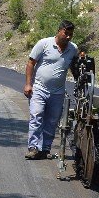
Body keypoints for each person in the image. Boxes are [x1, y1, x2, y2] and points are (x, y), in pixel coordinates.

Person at [23, 20, 79, 160]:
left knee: (52, 121)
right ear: (59, 31)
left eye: (70, 34)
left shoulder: (73, 49)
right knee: (36, 116)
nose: (68, 37)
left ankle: (45, 148)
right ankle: (33, 148)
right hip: (39, 89)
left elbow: (75, 67)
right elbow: (31, 63)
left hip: (58, 92)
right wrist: (28, 84)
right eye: (66, 33)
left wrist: (80, 71)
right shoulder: (44, 43)